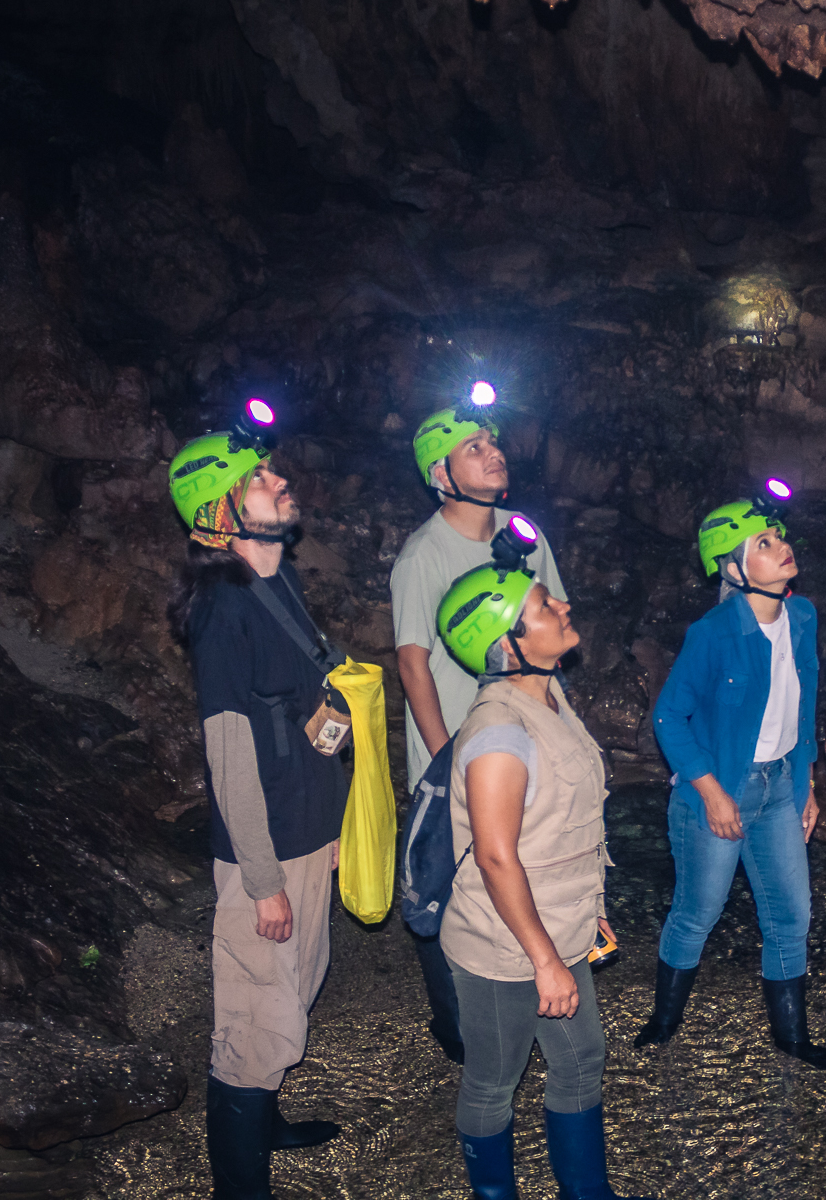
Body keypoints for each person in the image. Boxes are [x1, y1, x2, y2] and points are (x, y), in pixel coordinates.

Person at [165, 410, 349, 1200]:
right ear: (220, 511)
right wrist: (263, 879)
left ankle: (266, 1126)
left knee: (293, 990)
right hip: (262, 851)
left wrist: (334, 824)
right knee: (251, 1024)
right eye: (260, 478)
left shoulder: (279, 581)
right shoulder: (223, 611)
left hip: (306, 830)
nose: (280, 481)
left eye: (272, 471)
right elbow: (230, 755)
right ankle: (239, 1188)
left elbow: (300, 706)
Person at [434, 545, 650, 1200]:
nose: (563, 604)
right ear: (508, 642)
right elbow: (497, 856)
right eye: (543, 605)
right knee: (493, 1079)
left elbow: (563, 826)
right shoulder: (499, 730)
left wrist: (590, 908)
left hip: (557, 925)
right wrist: (545, 962)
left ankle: (586, 1192)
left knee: (582, 1058)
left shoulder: (549, 696)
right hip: (507, 946)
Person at [634, 488, 826, 1070]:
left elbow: (802, 707)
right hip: (720, 791)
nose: (782, 547)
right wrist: (711, 793)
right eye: (764, 543)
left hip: (781, 789)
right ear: (733, 569)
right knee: (697, 913)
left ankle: (792, 1039)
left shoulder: (802, 617)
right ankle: (662, 1024)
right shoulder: (713, 633)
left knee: (792, 915)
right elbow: (668, 717)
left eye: (778, 537)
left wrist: (807, 785)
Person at [391, 388, 567, 1063]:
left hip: (525, 739)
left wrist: (563, 729)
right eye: (474, 448)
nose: (494, 454)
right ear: (441, 474)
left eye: (493, 443)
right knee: (456, 887)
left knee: (525, 867)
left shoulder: (523, 533)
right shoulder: (423, 556)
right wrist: (449, 762)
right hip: (459, 750)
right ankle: (457, 1029)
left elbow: (551, 633)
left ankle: (528, 993)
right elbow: (412, 663)